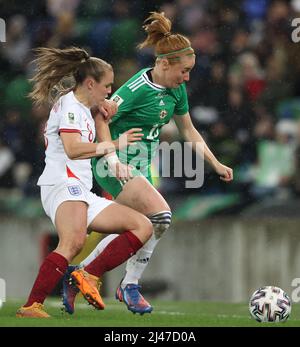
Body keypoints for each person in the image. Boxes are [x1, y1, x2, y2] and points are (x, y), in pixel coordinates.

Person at [62, 12, 233, 315]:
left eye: (190, 71)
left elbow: (189, 130)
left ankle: (81, 274)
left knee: (142, 227)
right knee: (161, 216)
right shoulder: (136, 89)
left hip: (139, 167)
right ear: (164, 64)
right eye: (184, 71)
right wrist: (112, 159)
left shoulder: (175, 89)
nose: (187, 78)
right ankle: (128, 285)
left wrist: (215, 163)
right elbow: (101, 115)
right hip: (113, 164)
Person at [16, 47, 153, 318]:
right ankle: (32, 306)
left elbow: (100, 122)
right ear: (90, 84)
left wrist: (115, 161)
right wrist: (114, 144)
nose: (109, 92)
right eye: (107, 86)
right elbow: (72, 149)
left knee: (142, 225)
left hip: (80, 189)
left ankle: (88, 274)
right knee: (73, 242)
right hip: (62, 184)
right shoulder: (70, 108)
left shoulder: (84, 105)